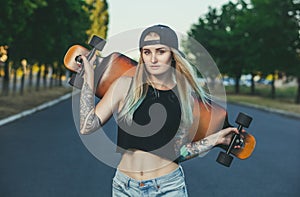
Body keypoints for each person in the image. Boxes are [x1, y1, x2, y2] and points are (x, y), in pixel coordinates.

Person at [79, 24, 241, 196]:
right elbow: (87, 126)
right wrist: (88, 79)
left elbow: (180, 152)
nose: (153, 59)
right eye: (147, 52)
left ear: (172, 55)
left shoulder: (185, 98)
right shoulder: (125, 86)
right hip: (124, 187)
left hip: (167, 188)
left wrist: (215, 140)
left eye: (160, 51)